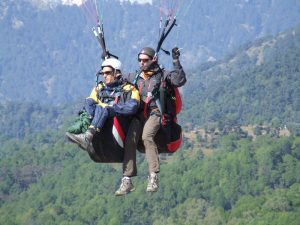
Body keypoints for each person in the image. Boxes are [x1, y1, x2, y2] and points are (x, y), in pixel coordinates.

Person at [66, 58, 141, 195]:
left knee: (103, 108)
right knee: (98, 107)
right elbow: (89, 102)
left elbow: (133, 107)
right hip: (104, 124)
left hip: (122, 122)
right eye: (102, 73)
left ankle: (87, 137)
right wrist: (90, 115)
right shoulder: (99, 88)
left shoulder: (130, 89)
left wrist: (114, 108)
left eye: (107, 72)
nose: (104, 75)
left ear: (117, 73)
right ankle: (88, 132)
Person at [125, 46, 186, 193]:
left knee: (147, 136)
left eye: (145, 60)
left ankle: (153, 176)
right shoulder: (135, 77)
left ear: (153, 60)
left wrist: (176, 61)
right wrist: (107, 62)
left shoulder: (163, 76)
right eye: (139, 60)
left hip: (156, 112)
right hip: (140, 115)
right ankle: (127, 179)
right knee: (130, 139)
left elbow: (179, 80)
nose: (141, 63)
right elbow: (116, 79)